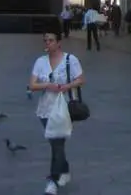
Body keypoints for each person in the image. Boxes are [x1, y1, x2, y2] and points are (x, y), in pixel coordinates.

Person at [28, 28, 85, 194]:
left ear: (59, 43)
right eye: (45, 40)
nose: (47, 43)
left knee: (57, 144)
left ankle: (53, 180)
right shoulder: (40, 61)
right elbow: (32, 85)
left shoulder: (70, 60)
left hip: (64, 108)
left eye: (51, 40)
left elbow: (81, 80)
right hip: (45, 109)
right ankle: (64, 170)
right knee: (56, 145)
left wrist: (66, 86)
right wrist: (47, 85)